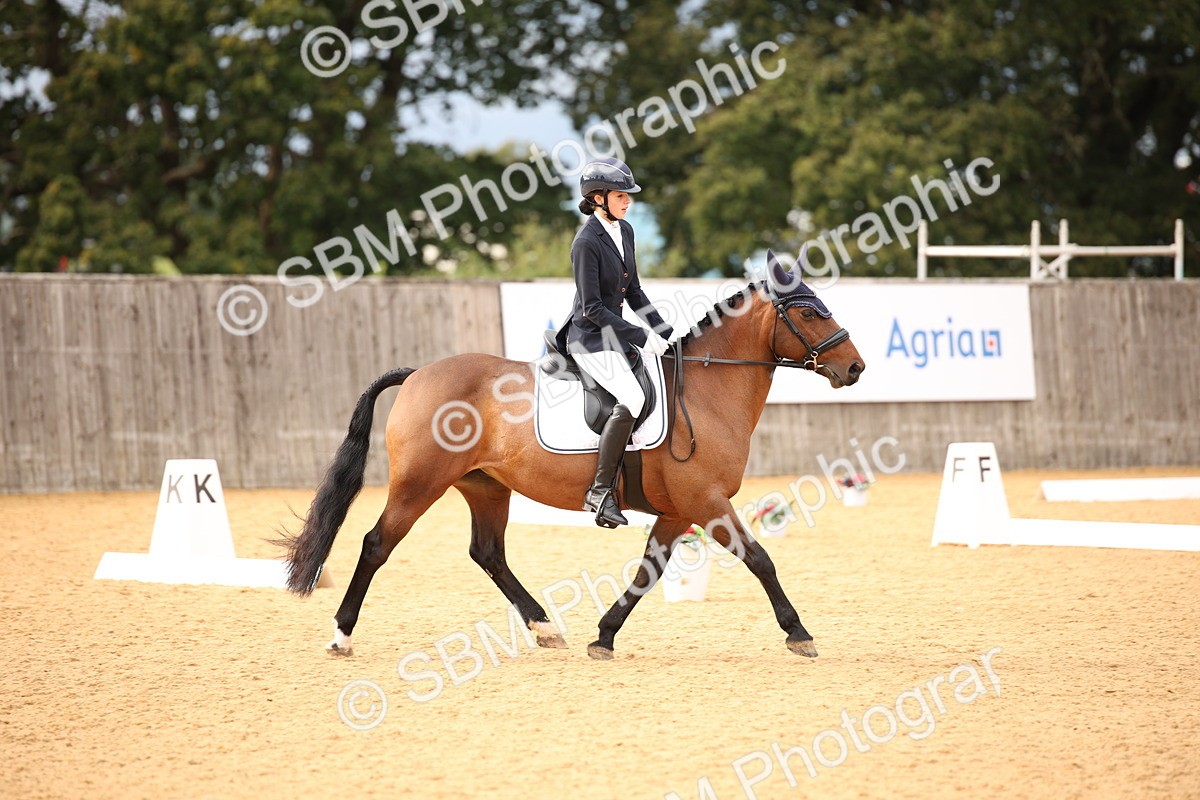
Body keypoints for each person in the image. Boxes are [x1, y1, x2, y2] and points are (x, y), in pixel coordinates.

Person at [557, 157, 672, 528]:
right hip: (589, 338)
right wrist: (641, 336)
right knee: (634, 399)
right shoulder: (585, 242)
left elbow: (634, 292)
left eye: (628, 196)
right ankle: (600, 490)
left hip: (614, 336)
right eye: (622, 195)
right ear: (598, 197)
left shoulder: (625, 232)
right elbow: (591, 309)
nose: (628, 202)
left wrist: (664, 330)